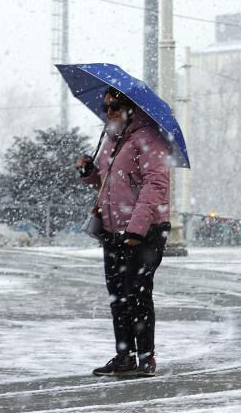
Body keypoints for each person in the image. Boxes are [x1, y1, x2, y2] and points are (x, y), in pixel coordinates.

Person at [77, 87, 172, 378]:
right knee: (117, 295)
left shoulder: (149, 139)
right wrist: (89, 172)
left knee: (138, 293)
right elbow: (107, 185)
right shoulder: (110, 140)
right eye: (106, 107)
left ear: (131, 108)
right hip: (112, 229)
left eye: (115, 106)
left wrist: (136, 229)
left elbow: (154, 185)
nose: (109, 112)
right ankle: (124, 355)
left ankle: (146, 356)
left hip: (146, 231)